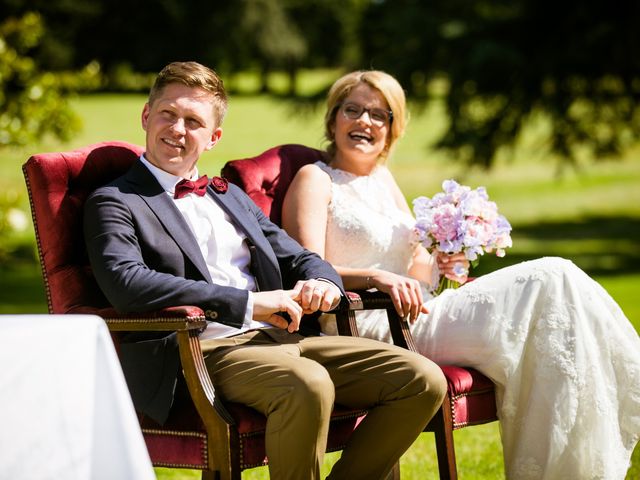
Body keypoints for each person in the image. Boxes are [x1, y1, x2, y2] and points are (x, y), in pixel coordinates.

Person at [83, 61, 448, 480]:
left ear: (214, 137)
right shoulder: (115, 200)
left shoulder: (228, 196)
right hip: (201, 351)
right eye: (168, 114)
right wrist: (249, 303)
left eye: (193, 121)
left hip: (281, 340)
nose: (178, 129)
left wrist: (325, 284)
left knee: (422, 379)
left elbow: (300, 257)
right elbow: (128, 284)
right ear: (147, 116)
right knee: (308, 384)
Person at [282, 69, 640, 479]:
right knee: (552, 276)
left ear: (392, 129)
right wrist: (375, 277)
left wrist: (442, 264)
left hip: (421, 308)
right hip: (367, 324)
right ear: (333, 119)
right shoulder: (315, 178)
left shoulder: (383, 180)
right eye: (353, 110)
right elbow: (309, 269)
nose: (365, 121)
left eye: (379, 114)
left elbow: (412, 266)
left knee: (559, 303)